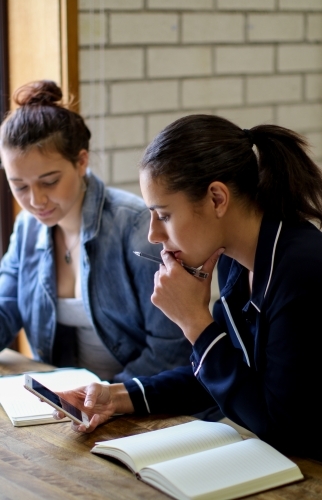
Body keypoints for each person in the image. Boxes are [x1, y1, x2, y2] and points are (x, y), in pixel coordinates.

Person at [54, 114, 322, 465]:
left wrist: (195, 323)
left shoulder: (302, 273)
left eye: (164, 215)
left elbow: (280, 427)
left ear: (217, 198)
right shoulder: (235, 257)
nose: (153, 235)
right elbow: (226, 371)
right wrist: (121, 397)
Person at [0, 80, 192, 383]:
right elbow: (5, 309)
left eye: (49, 182)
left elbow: (171, 348)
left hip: (144, 404)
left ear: (81, 161)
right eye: (19, 186)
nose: (35, 201)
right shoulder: (27, 228)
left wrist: (107, 400)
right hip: (70, 406)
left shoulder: (137, 226)